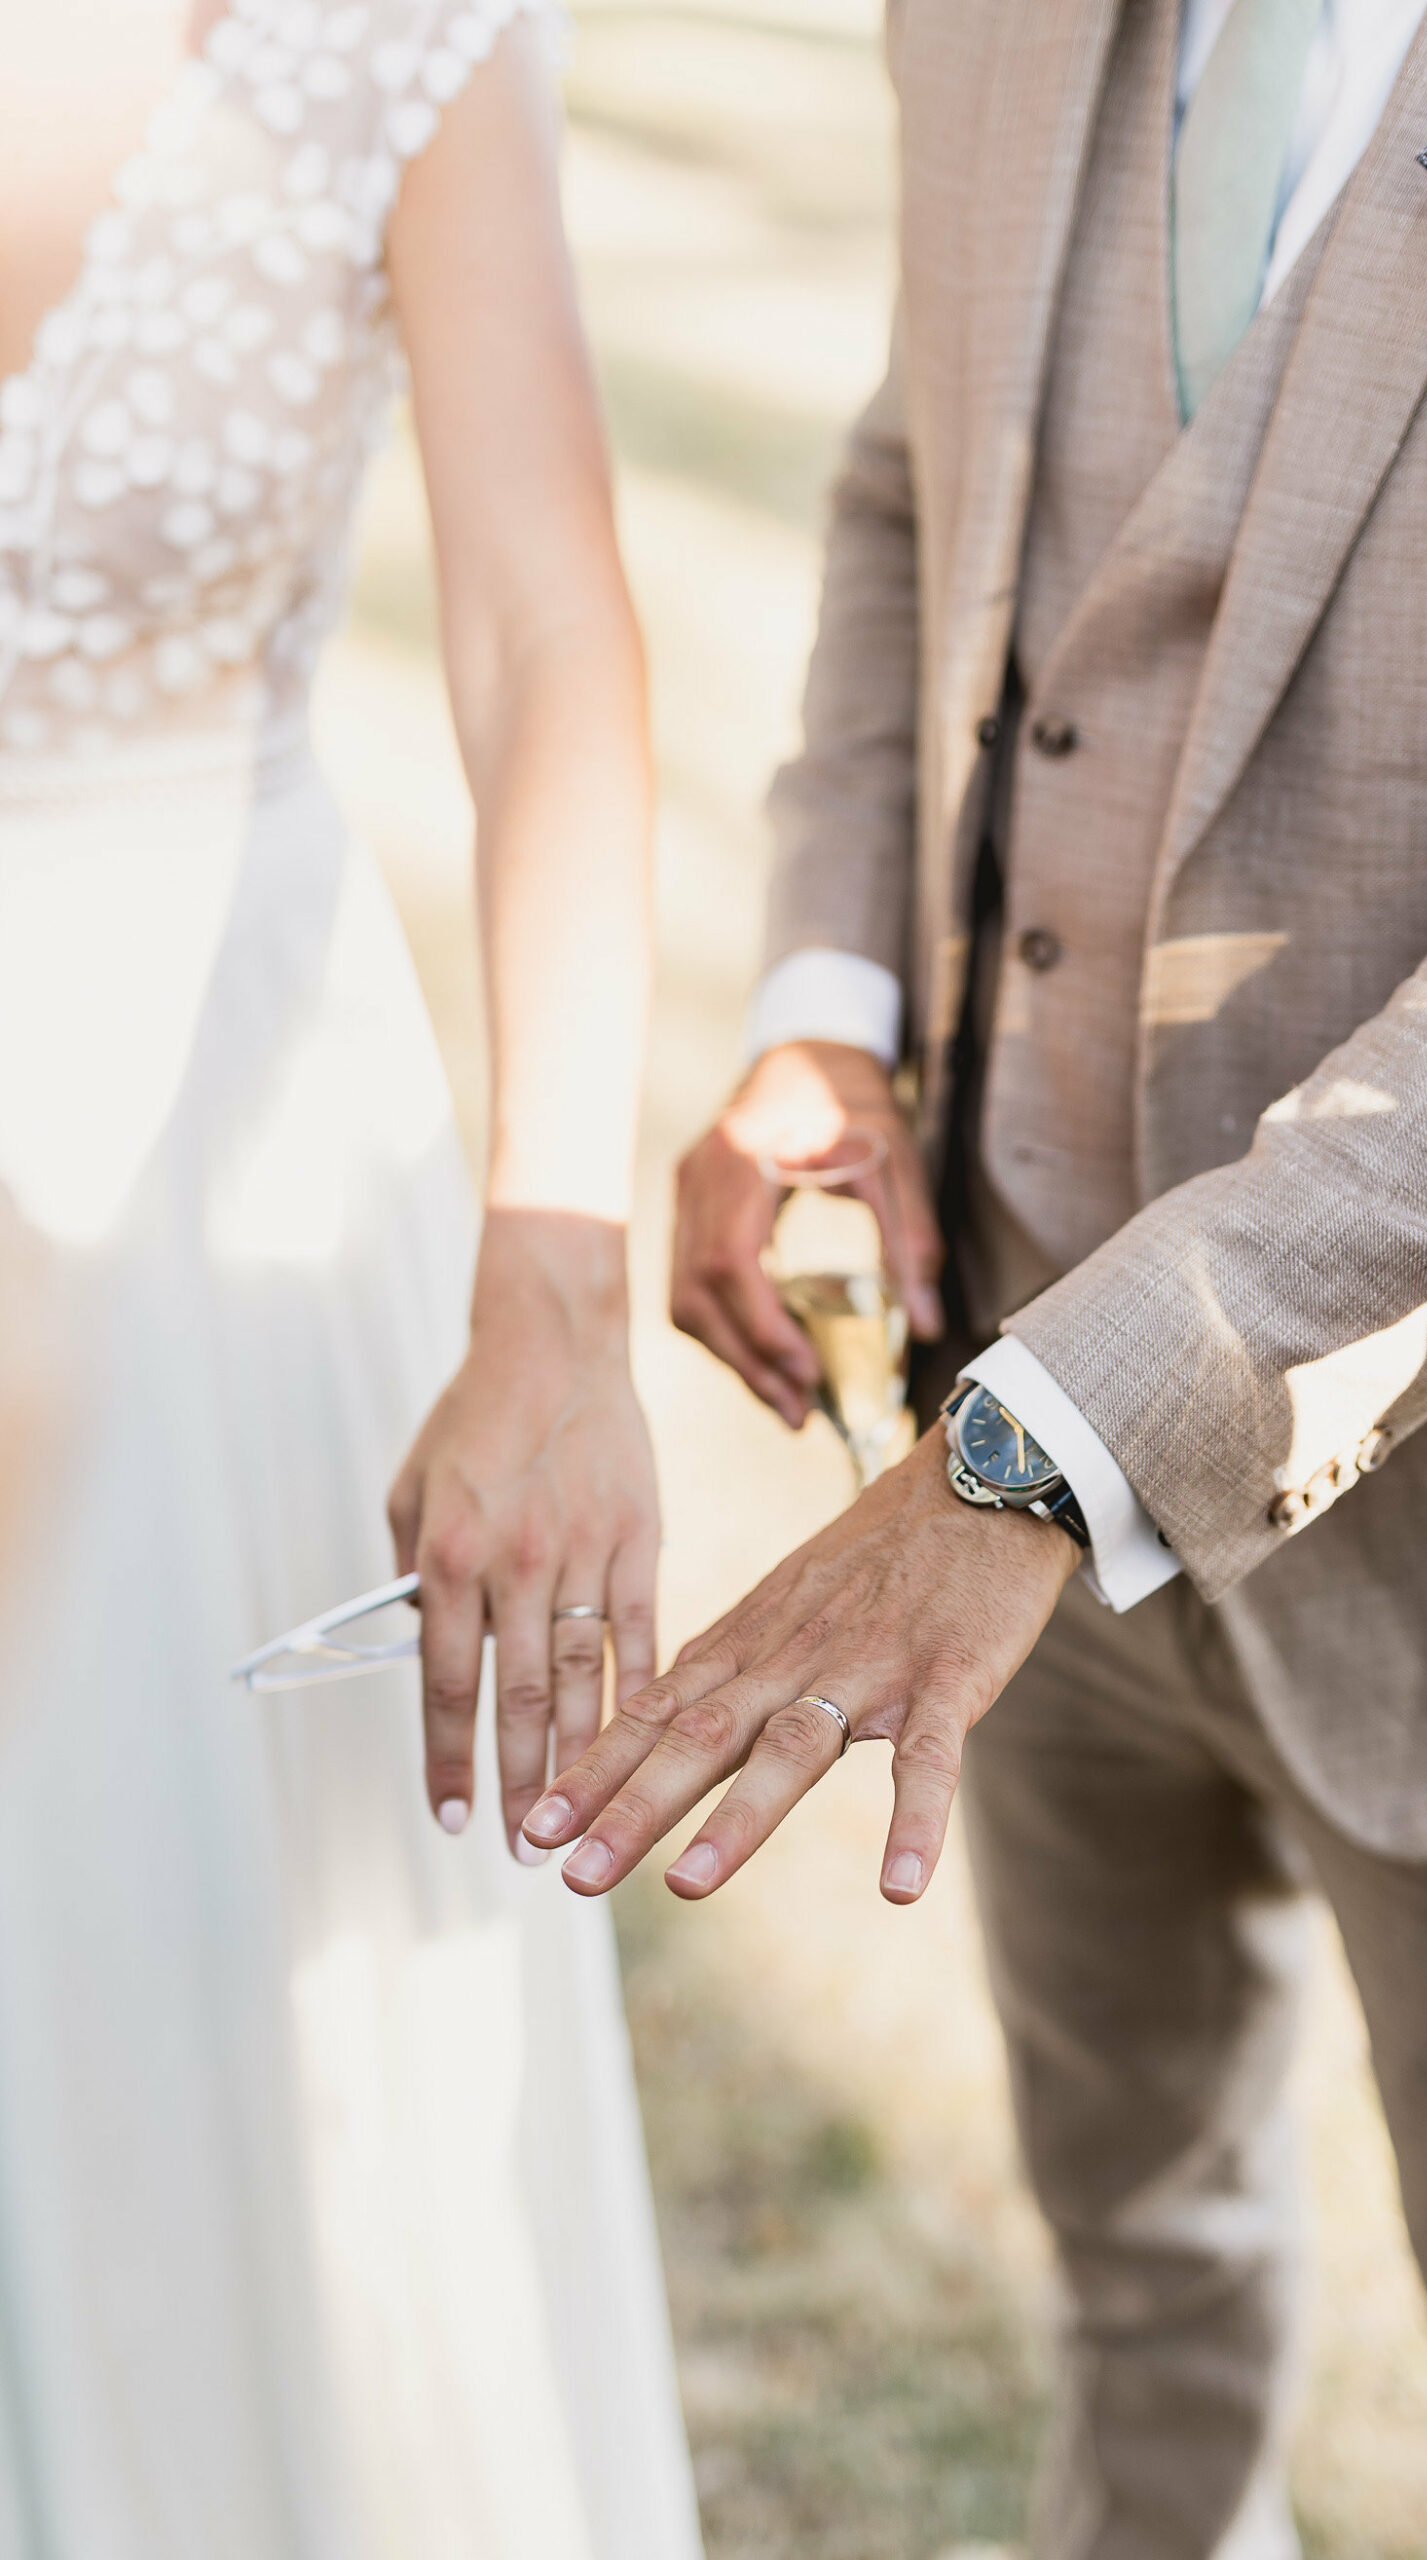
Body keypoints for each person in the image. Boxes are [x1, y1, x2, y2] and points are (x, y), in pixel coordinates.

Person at [521, 1, 1427, 2553]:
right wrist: (822, 1005)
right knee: (1138, 2267)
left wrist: (1056, 1445)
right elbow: (896, 494)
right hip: (986, 1353)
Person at [0, 1, 701, 2552]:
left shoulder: (384, 26)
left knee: (234, 2076)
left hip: (216, 1188)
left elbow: (548, 629)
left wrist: (552, 1295)